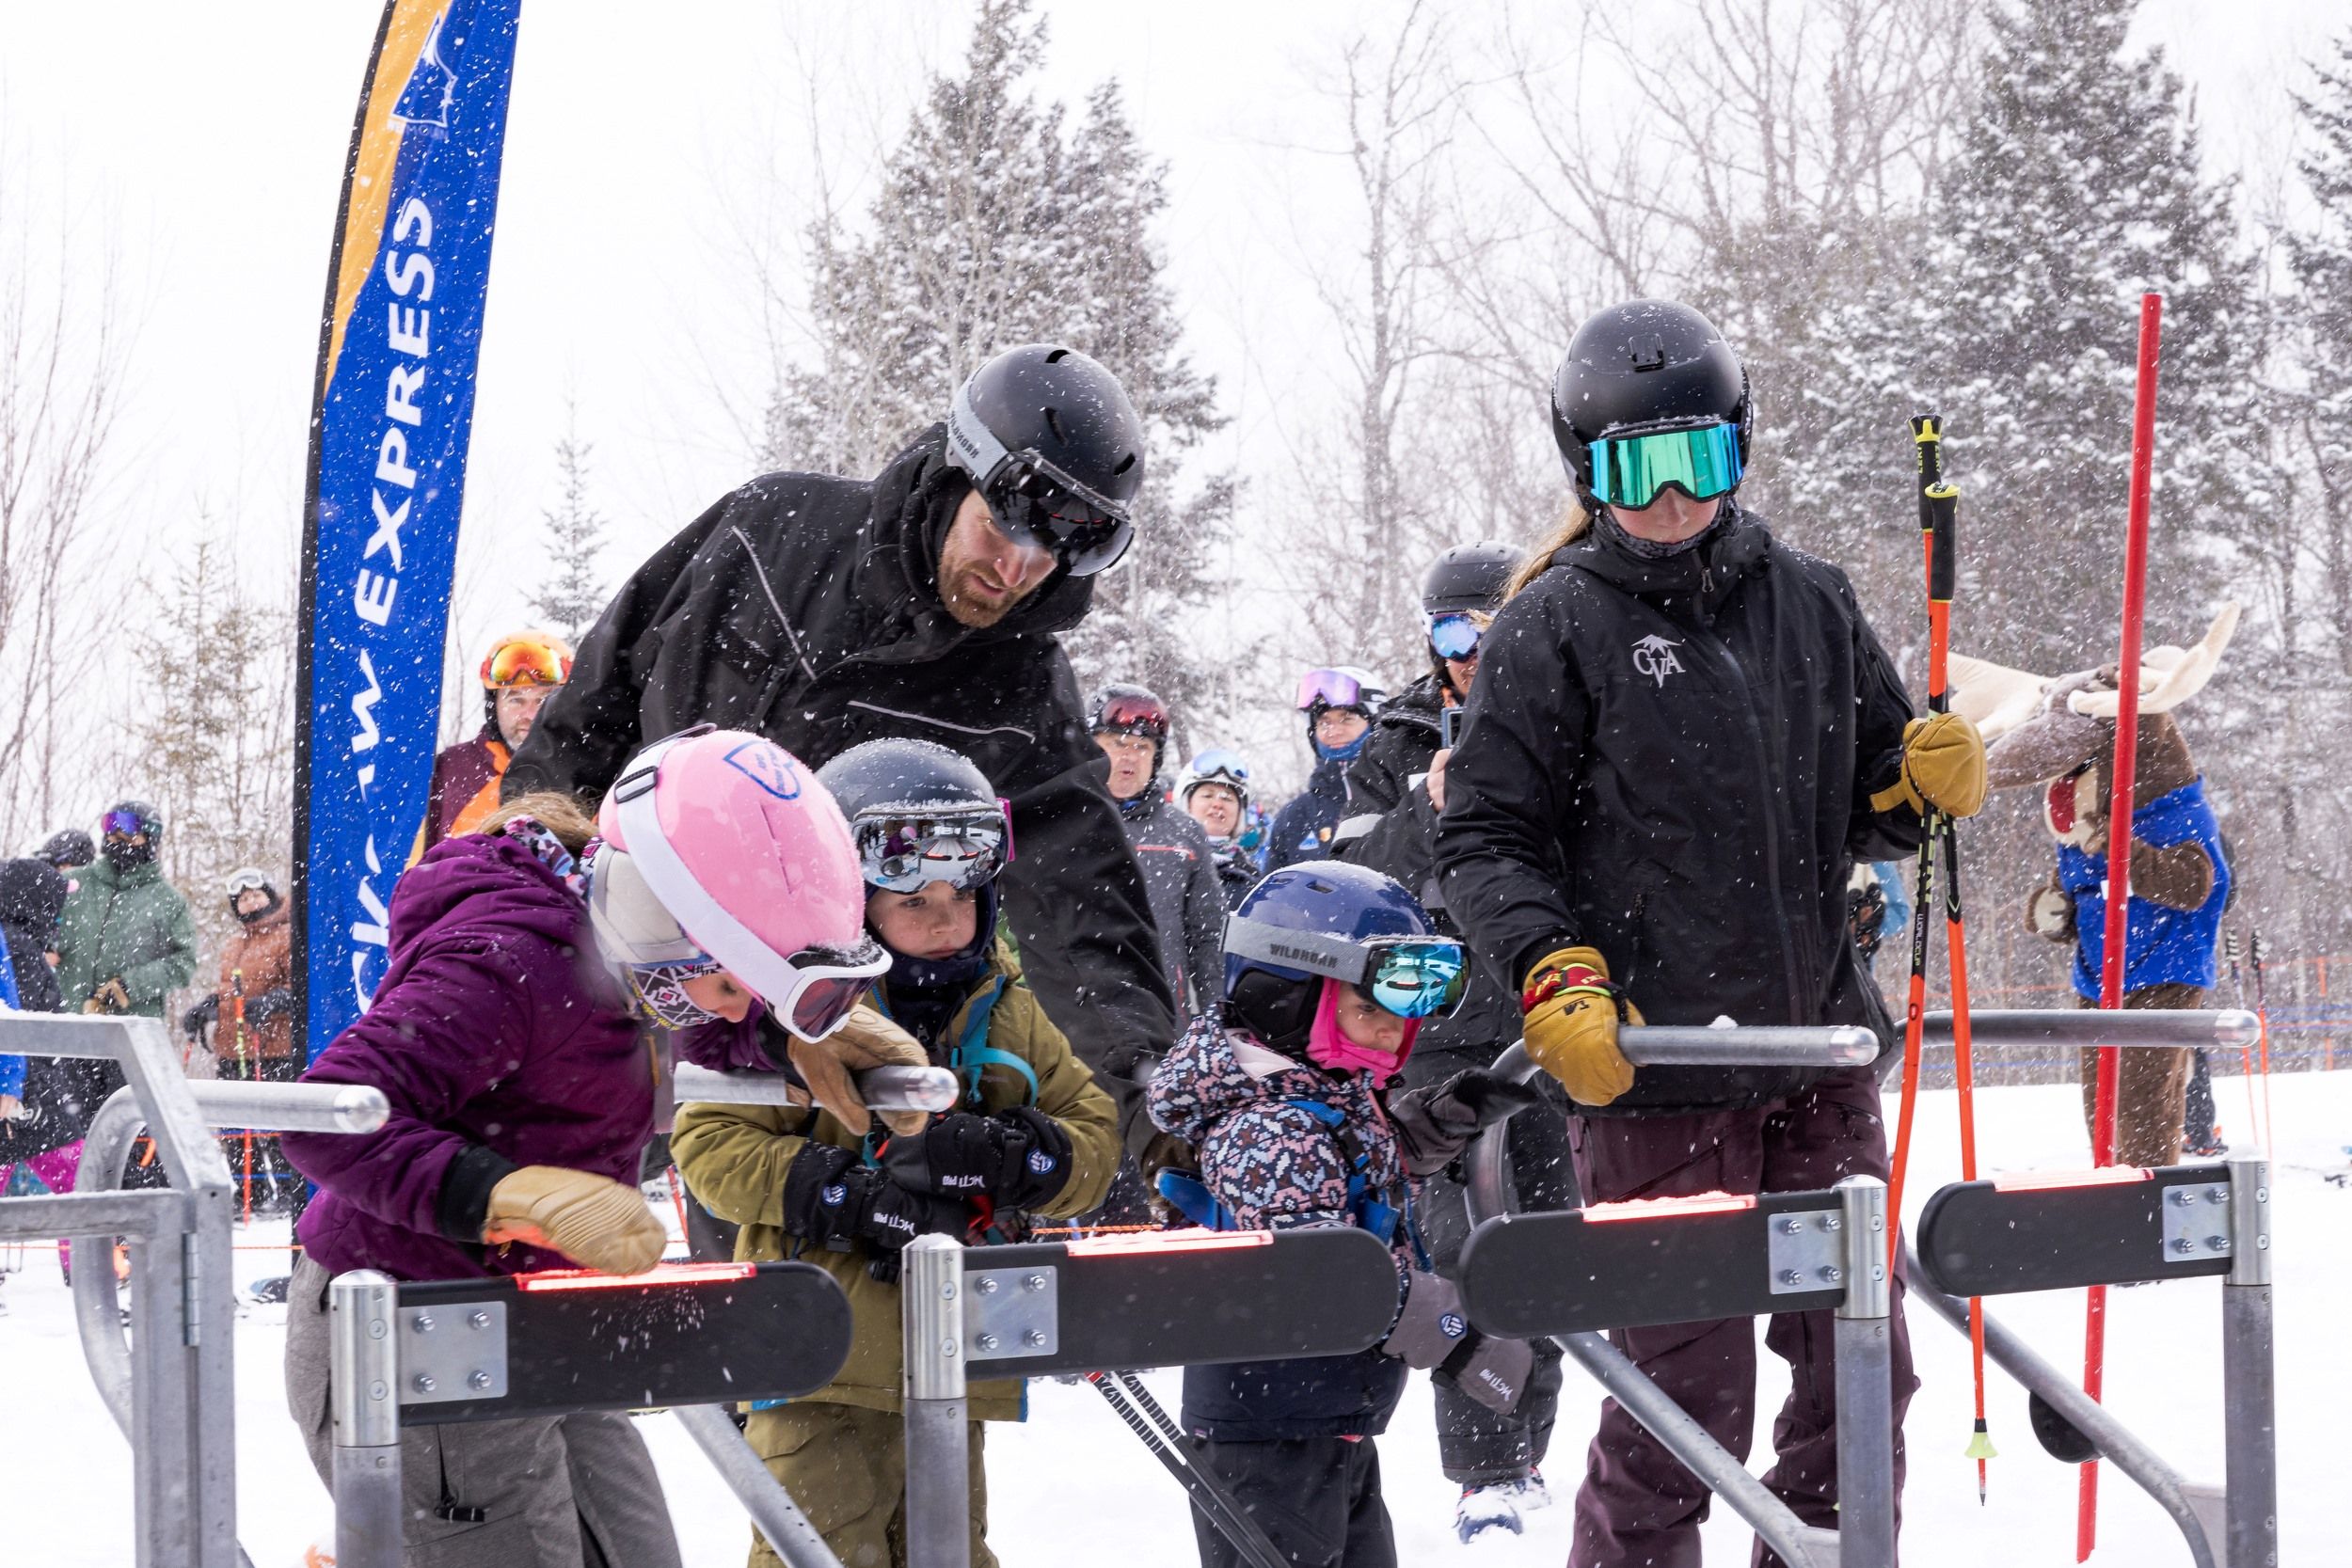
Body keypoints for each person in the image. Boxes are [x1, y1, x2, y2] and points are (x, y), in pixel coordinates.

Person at [1435, 299, 1989, 1568]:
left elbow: (1872, 807)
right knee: (1682, 1408)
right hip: (1655, 1076)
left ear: (1739, 450)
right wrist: (1554, 971)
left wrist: (1916, 782)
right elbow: (1486, 838)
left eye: (1702, 456)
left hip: (1814, 1065)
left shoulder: (1810, 600)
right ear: (1588, 469)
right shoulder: (1550, 627)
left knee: (1861, 1374)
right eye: (1639, 466)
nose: (1675, 493)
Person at [279, 727, 937, 1568]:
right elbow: (326, 1112)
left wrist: (784, 1038)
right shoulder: (504, 965)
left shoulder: (629, 964)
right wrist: (503, 1194)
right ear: (654, 916)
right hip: (412, 1334)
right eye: (736, 983)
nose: (737, 1009)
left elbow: (673, 1024)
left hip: (543, 1314)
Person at [502, 344, 1178, 1154]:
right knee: (541, 1213)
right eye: (999, 530)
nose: (1015, 571)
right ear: (952, 475)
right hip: (647, 966)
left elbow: (1084, 899)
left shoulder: (1021, 681)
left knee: (786, 1264)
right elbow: (587, 721)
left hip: (844, 1036)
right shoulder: (767, 536)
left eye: (1049, 557)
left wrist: (1150, 1092)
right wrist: (529, 923)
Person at [673, 738, 1118, 1568]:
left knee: (949, 1552)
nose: (944, 919)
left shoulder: (1008, 1010)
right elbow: (709, 1142)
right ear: (851, 901)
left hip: (955, 1358)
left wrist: (1014, 1156)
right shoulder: (792, 1013)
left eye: (962, 895)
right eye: (914, 901)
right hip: (817, 1354)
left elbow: (1092, 1135)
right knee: (822, 1555)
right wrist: (839, 1193)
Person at [1149, 861, 1536, 1568]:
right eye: (1371, 1011)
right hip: (1267, 1426)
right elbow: (1324, 1275)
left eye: (1403, 1015)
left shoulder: (1315, 1088)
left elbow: (1350, 1168)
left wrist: (1440, 1121)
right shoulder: (1265, 1127)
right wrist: (1455, 1336)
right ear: (1284, 998)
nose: (1393, 1035)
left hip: (1319, 1411)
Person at [1330, 541, 1572, 1543]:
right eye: (1453, 634)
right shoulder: (1389, 745)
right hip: (1430, 1037)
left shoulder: (1557, 718)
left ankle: (1528, 1447)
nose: (1473, 653)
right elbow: (1350, 878)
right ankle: (1482, 1465)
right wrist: (1431, 813)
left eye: (1492, 630)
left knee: (1549, 1247)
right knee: (1456, 1246)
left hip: (1543, 1024)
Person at [1090, 684, 1225, 1018]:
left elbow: (1207, 937)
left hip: (1162, 1020)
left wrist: (1214, 1021)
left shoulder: (1185, 834)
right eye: (1117, 743)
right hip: (1076, 1021)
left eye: (1142, 746)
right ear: (1090, 748)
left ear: (1156, 757)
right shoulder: (1060, 824)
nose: (1129, 756)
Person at [421, 629, 573, 852]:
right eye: (516, 700)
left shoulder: (585, 772)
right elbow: (413, 863)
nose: (529, 714)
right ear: (494, 706)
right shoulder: (450, 770)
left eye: (541, 701)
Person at [55, 801, 198, 1029]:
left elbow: (184, 963)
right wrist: (46, 948)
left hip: (132, 1028)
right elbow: (40, 931)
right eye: (111, 830)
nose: (116, 839)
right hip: (69, 1022)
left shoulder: (168, 900)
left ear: (149, 839)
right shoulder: (74, 883)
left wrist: (129, 987)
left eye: (127, 833)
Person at [1263, 667, 1386, 872]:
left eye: (1347, 719)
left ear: (1374, 722)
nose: (1334, 731)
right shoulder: (1295, 817)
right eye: (1324, 722)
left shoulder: (1399, 796)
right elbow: (1272, 897)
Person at [1176, 749, 1261, 910]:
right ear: (1187, 804)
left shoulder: (1254, 880)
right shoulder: (1165, 863)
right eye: (1207, 795)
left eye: (1227, 798)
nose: (1217, 804)